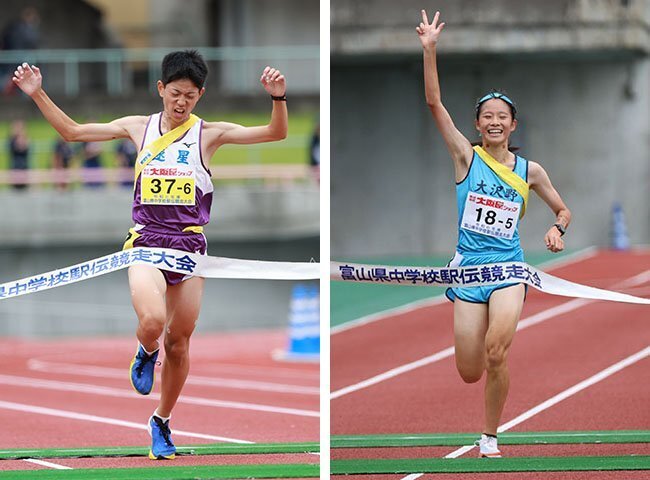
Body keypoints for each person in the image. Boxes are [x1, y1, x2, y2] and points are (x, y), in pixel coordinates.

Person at [12, 50, 288, 459]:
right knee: (154, 321)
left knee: (179, 342)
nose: (181, 103)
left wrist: (278, 99)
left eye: (190, 96)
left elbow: (275, 134)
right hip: (146, 242)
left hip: (190, 247)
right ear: (160, 89)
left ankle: (161, 420)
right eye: (175, 93)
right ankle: (145, 350)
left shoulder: (208, 134)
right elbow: (72, 132)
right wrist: (37, 93)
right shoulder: (136, 128)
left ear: (200, 96)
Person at [416, 11, 571, 457]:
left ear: (513, 125)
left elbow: (563, 210)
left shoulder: (530, 170)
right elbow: (433, 104)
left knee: (497, 351)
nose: (495, 122)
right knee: (469, 369)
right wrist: (430, 50)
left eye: (503, 116)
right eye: (487, 117)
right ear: (479, 125)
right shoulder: (466, 157)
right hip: (467, 272)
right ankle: (483, 402)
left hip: (509, 269)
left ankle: (489, 436)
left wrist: (557, 229)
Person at [8, 120, 30, 189]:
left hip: (24, 165)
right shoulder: (12, 140)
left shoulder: (25, 138)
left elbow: (25, 149)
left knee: (24, 184)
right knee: (16, 185)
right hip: (16, 165)